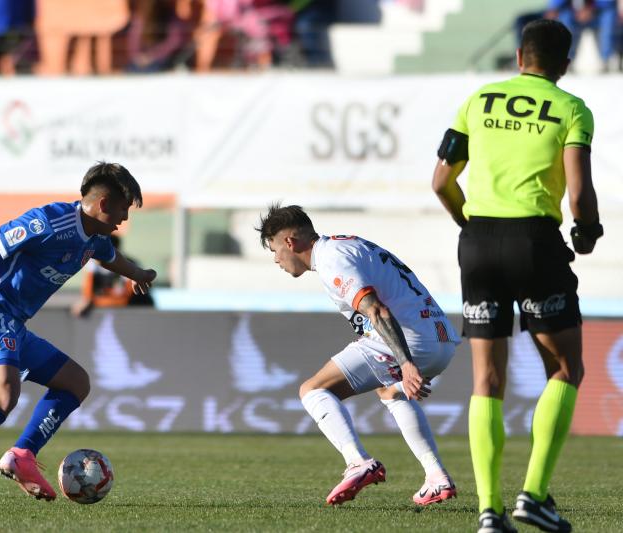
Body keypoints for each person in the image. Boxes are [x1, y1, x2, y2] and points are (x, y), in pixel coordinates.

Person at [431, 19, 601, 533]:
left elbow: (441, 180)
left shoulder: (479, 100)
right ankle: (534, 496)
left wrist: (469, 223)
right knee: (566, 367)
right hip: (534, 242)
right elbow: (578, 191)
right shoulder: (572, 109)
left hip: (477, 243)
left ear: (518, 57)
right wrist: (587, 230)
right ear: (564, 65)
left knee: (487, 379)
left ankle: (489, 512)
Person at [0, 162, 157, 506]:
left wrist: (138, 272)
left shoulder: (95, 238)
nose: (125, 218)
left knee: (75, 382)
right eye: (124, 209)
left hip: (13, 322)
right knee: (3, 394)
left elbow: (111, 258)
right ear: (104, 203)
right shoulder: (49, 221)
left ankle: (22, 455)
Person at [256, 204, 460, 506]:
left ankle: (358, 463)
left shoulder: (331, 260)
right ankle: (436, 477)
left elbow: (376, 309)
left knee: (313, 389)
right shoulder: (346, 244)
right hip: (441, 336)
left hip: (412, 338)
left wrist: (406, 363)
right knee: (390, 390)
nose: (276, 260)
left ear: (290, 242)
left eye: (274, 250)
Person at [70, 234, 154, 317]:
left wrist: (95, 303)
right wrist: (90, 302)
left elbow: (125, 300)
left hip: (135, 309)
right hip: (109, 307)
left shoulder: (129, 266)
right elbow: (87, 296)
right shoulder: (92, 264)